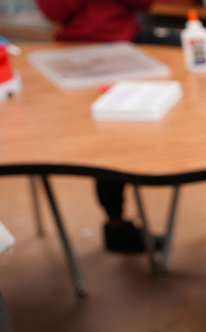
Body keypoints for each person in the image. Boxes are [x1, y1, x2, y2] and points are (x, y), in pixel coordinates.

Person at [36, 0, 179, 253]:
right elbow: (53, 11)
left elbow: (146, 4)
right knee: (106, 139)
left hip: (129, 46)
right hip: (74, 56)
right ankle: (116, 223)